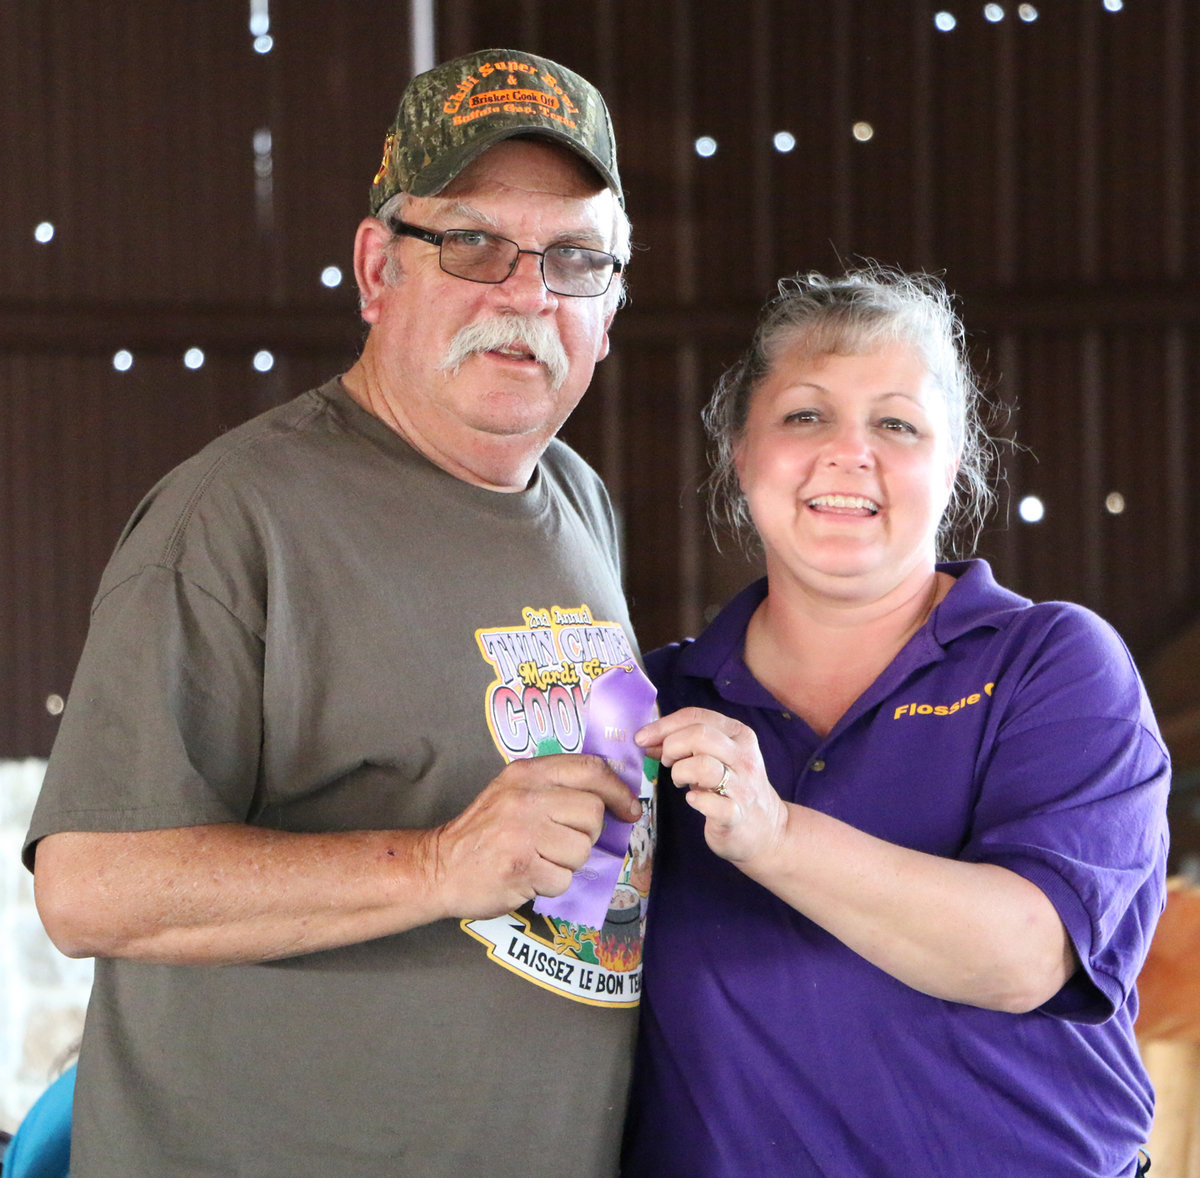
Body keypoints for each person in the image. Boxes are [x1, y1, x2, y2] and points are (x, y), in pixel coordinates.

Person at [24, 48, 654, 1178]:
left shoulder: (577, 499)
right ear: (377, 269)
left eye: (574, 257)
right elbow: (87, 885)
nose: (525, 292)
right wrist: (438, 866)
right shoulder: (232, 520)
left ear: (609, 305)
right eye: (471, 242)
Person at [621, 266, 1168, 1177]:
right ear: (740, 451)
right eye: (805, 415)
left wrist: (776, 835)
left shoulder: (1051, 664)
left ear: (951, 466)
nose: (849, 451)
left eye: (896, 423)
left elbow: (1025, 956)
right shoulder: (655, 703)